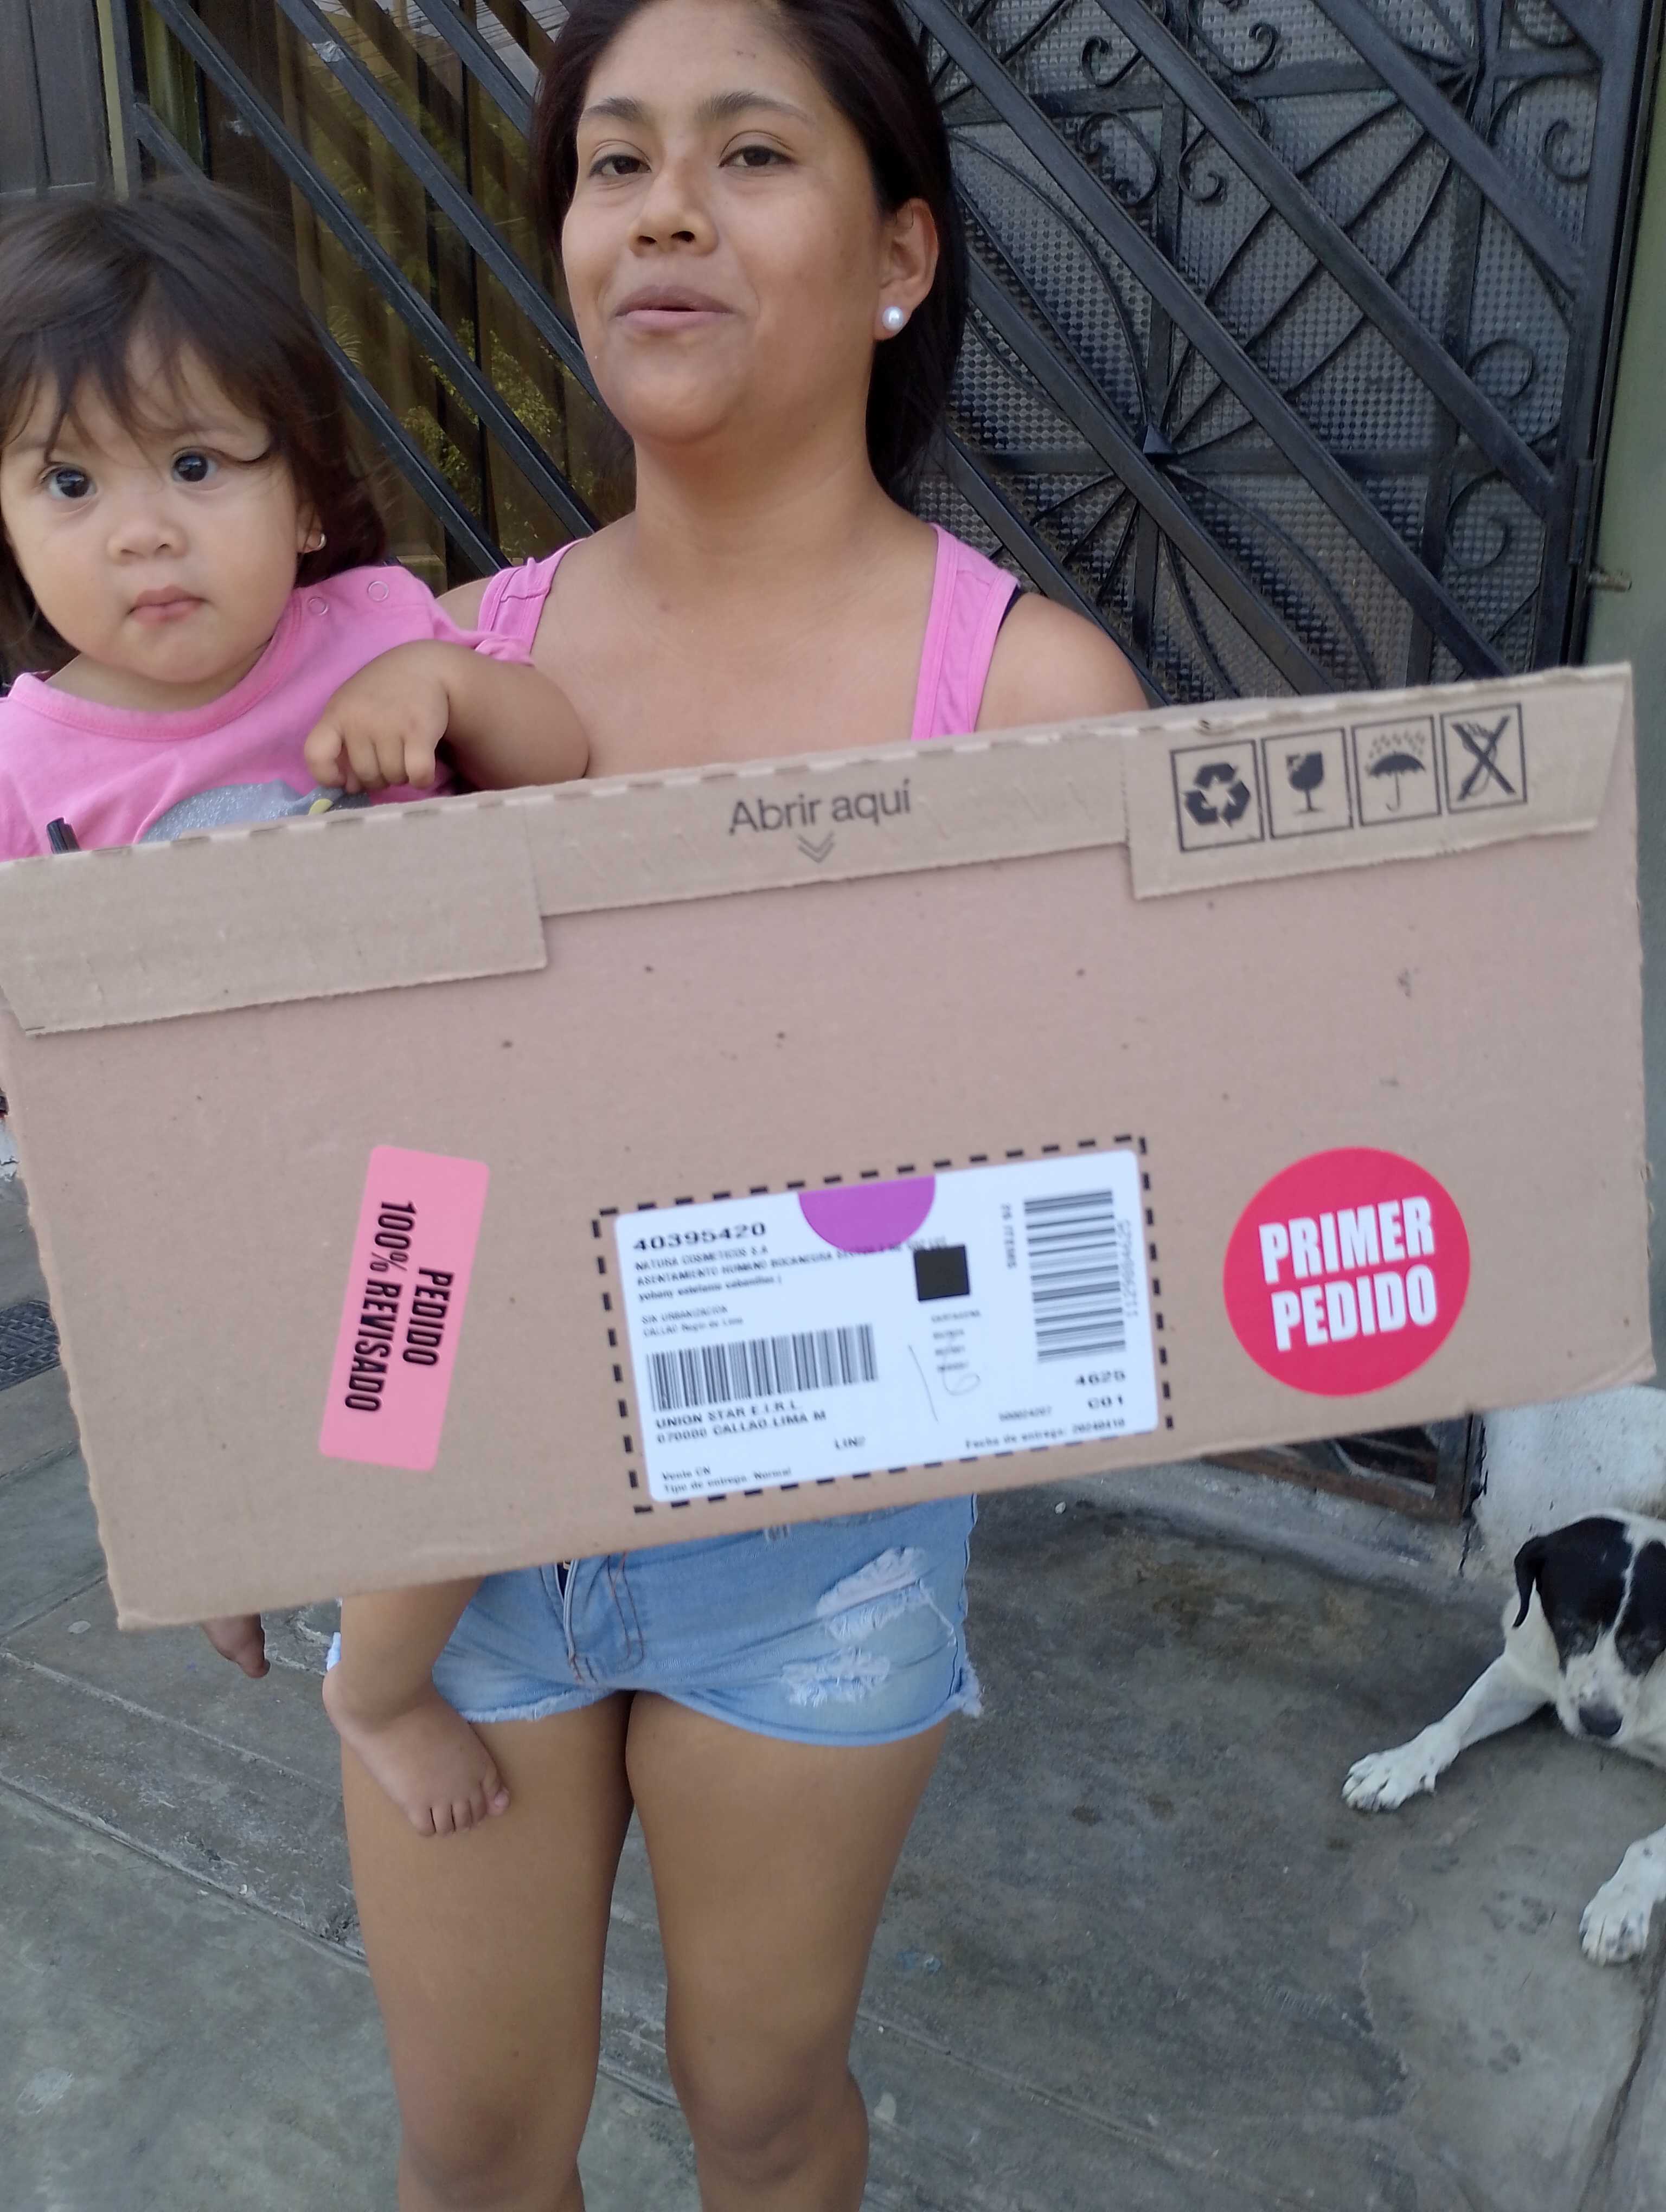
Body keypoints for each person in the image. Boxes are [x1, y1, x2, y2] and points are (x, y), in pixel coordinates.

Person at [209, 0, 1150, 2203]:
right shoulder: (440, 670)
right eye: (615, 163)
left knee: (762, 2112)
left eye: (749, 155)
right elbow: (319, 1137)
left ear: (899, 251)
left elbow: (1107, 1205)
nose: (661, 214)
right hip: (458, 1552)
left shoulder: (1033, 702)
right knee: (474, 2149)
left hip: (816, 1566)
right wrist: (236, 1460)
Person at [0, 181, 589, 1844]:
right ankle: (234, 1553)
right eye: (70, 481)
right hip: (196, 1197)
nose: (142, 531)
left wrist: (451, 686)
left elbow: (566, 769)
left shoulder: (376, 631)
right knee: (209, 1447)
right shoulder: (30, 756)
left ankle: (377, 1681)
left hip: (422, 1159)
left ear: (310, 495)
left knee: (453, 1420)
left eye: (197, 465)